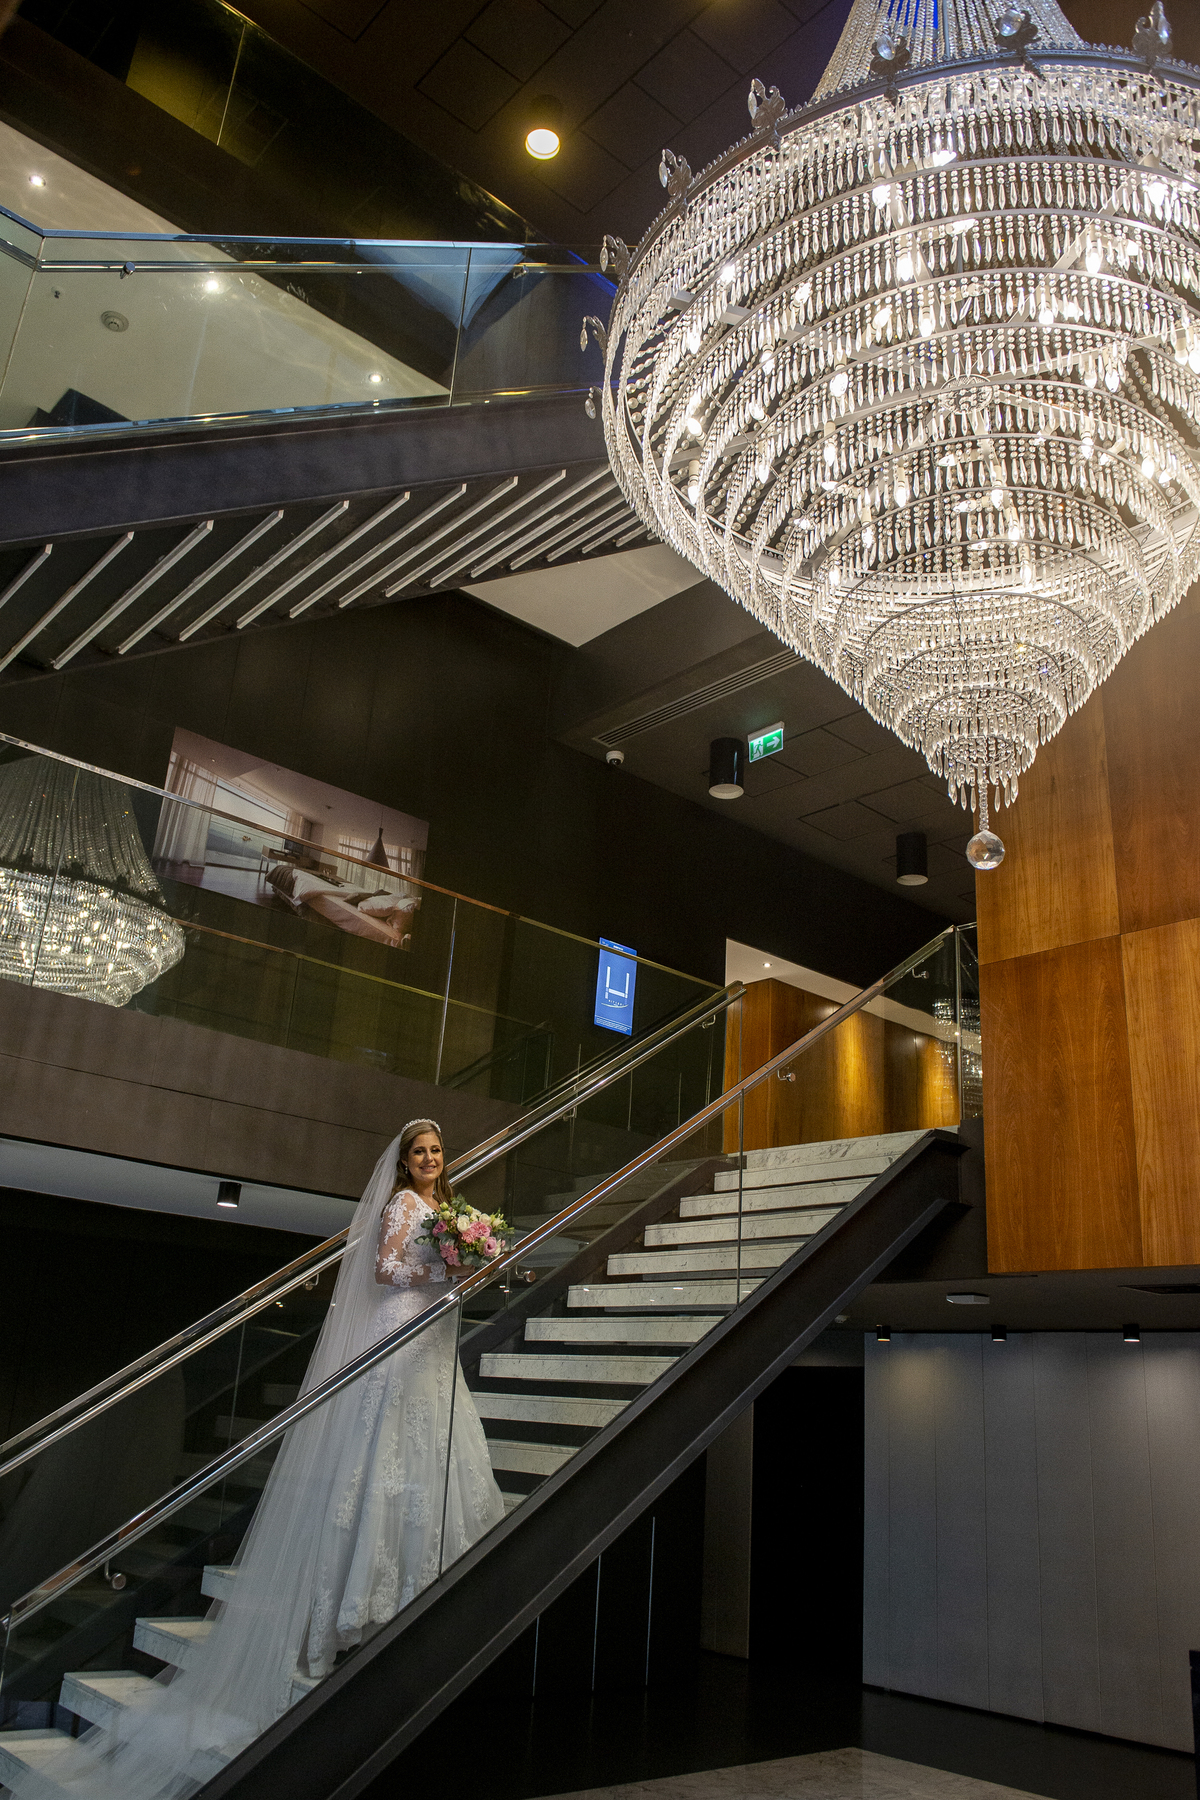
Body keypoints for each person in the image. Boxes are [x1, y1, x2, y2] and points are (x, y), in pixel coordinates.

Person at [8, 1120, 505, 1799]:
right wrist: (442, 1263)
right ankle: (367, 1582)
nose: (427, 1159)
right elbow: (387, 1269)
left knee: (432, 1438)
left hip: (435, 1335)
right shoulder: (401, 1206)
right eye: (418, 1152)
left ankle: (436, 1554)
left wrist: (465, 1256)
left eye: (435, 1152)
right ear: (404, 1162)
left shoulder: (448, 1208)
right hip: (405, 1325)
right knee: (389, 1444)